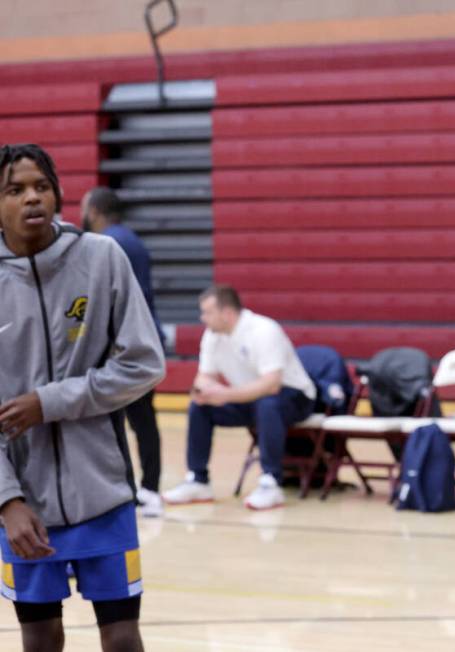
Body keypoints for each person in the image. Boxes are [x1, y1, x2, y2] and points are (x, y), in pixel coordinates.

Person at [0, 144, 166, 651]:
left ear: (59, 193)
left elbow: (144, 364)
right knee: (41, 638)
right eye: (15, 189)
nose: (32, 198)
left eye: (41, 186)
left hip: (105, 497)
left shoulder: (101, 258)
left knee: (120, 638)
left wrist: (50, 401)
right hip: (24, 505)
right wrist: (6, 501)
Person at [162, 285, 316, 510]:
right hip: (248, 397)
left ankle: (270, 483)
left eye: (207, 312)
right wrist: (204, 391)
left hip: (294, 396)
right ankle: (198, 480)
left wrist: (225, 394)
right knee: (200, 407)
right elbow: (203, 378)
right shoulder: (213, 335)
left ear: (227, 313)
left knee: (268, 404)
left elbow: (272, 384)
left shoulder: (263, 330)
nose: (202, 318)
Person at [81, 187, 166, 518]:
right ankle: (147, 489)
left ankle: (135, 492)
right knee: (142, 421)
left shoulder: (107, 245)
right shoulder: (131, 240)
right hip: (140, 341)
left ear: (96, 211)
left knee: (122, 423)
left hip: (124, 347)